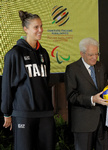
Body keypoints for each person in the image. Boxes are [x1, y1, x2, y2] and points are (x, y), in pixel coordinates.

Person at [1, 10, 55, 150]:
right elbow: (7, 86)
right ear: (26, 29)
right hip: (24, 113)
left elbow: (45, 82)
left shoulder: (44, 54)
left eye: (41, 26)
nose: (40, 30)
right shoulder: (14, 54)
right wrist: (7, 112)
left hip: (45, 114)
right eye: (36, 27)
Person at [64, 37, 108, 150]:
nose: (95, 57)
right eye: (91, 55)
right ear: (82, 53)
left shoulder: (100, 66)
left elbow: (104, 90)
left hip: (101, 121)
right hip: (83, 124)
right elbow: (71, 96)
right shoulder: (72, 69)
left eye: (96, 54)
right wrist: (92, 99)